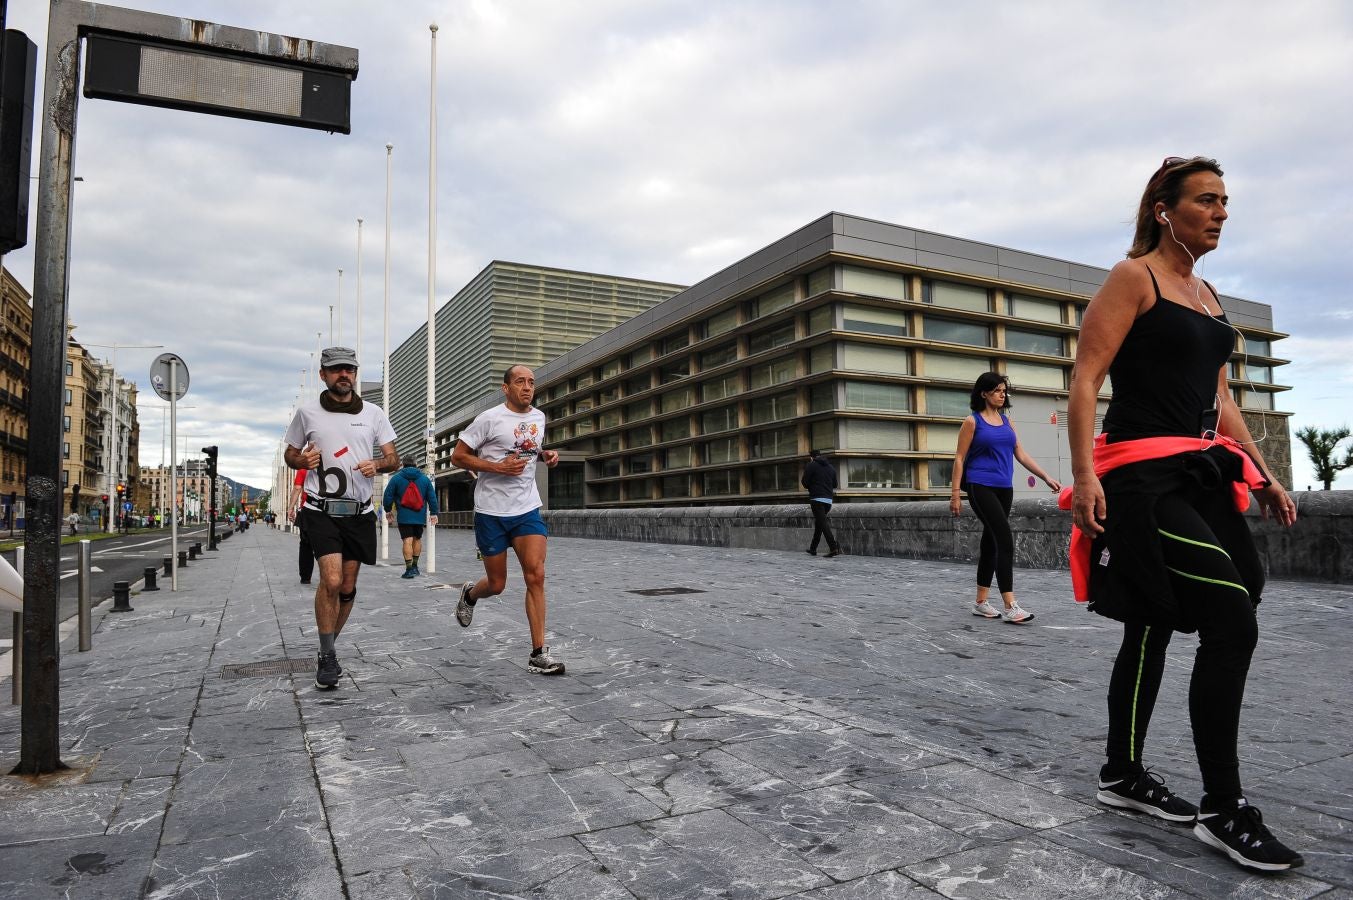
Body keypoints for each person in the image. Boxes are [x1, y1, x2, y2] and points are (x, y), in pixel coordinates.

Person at [1067, 156, 1302, 871]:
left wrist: (1261, 473)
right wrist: (1083, 480)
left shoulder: (1205, 293)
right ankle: (1221, 807)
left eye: (1225, 201)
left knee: (1150, 622)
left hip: (1199, 475)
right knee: (1229, 619)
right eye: (1206, 199)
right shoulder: (1131, 277)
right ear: (1163, 209)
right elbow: (1084, 378)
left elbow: (1220, 401)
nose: (1221, 211)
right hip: (1140, 478)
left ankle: (1119, 773)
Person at [283, 346, 398, 691]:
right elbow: (290, 452)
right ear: (324, 375)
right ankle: (328, 655)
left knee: (347, 587)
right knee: (331, 581)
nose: (343, 375)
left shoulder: (374, 413)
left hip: (360, 513)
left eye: (349, 369)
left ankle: (327, 648)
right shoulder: (308, 413)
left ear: (355, 374)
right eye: (336, 370)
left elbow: (392, 458)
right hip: (320, 510)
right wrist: (302, 461)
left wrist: (377, 465)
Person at [450, 365, 564, 675]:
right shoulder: (489, 419)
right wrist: (497, 467)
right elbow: (458, 457)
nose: (527, 387)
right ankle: (471, 594)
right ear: (506, 388)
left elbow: (529, 448)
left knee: (536, 575)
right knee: (497, 584)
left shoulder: (539, 418)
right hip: (491, 511)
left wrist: (545, 455)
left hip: (526, 508)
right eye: (520, 382)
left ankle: (538, 653)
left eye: (531, 382)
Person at [949, 372, 1061, 623]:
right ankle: (1011, 605)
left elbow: (1020, 453)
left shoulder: (1007, 422)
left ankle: (980, 602)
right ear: (984, 393)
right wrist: (955, 494)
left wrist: (1045, 476)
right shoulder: (972, 421)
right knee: (1003, 539)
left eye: (1004, 390)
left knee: (990, 542)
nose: (1003, 394)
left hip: (1004, 487)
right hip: (980, 485)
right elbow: (959, 458)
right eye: (998, 390)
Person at [382, 455, 439, 578]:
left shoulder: (396, 478)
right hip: (419, 516)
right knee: (417, 539)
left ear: (403, 464)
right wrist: (434, 512)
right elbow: (432, 497)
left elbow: (388, 496)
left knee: (407, 540)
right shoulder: (424, 479)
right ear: (416, 464)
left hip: (404, 516)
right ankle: (415, 567)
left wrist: (387, 510)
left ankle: (408, 570)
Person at [801, 449, 841, 557]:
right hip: (828, 500)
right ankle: (813, 548)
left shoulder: (811, 465)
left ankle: (833, 548)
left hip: (817, 499)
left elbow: (804, 482)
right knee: (819, 523)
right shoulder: (831, 467)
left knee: (822, 523)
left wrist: (812, 488)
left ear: (811, 457)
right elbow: (835, 484)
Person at [293, 468, 313, 585]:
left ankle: (305, 577)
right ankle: (330, 575)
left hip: (307, 510)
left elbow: (297, 488)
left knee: (306, 545)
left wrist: (290, 508)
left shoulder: (304, 469)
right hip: (328, 511)